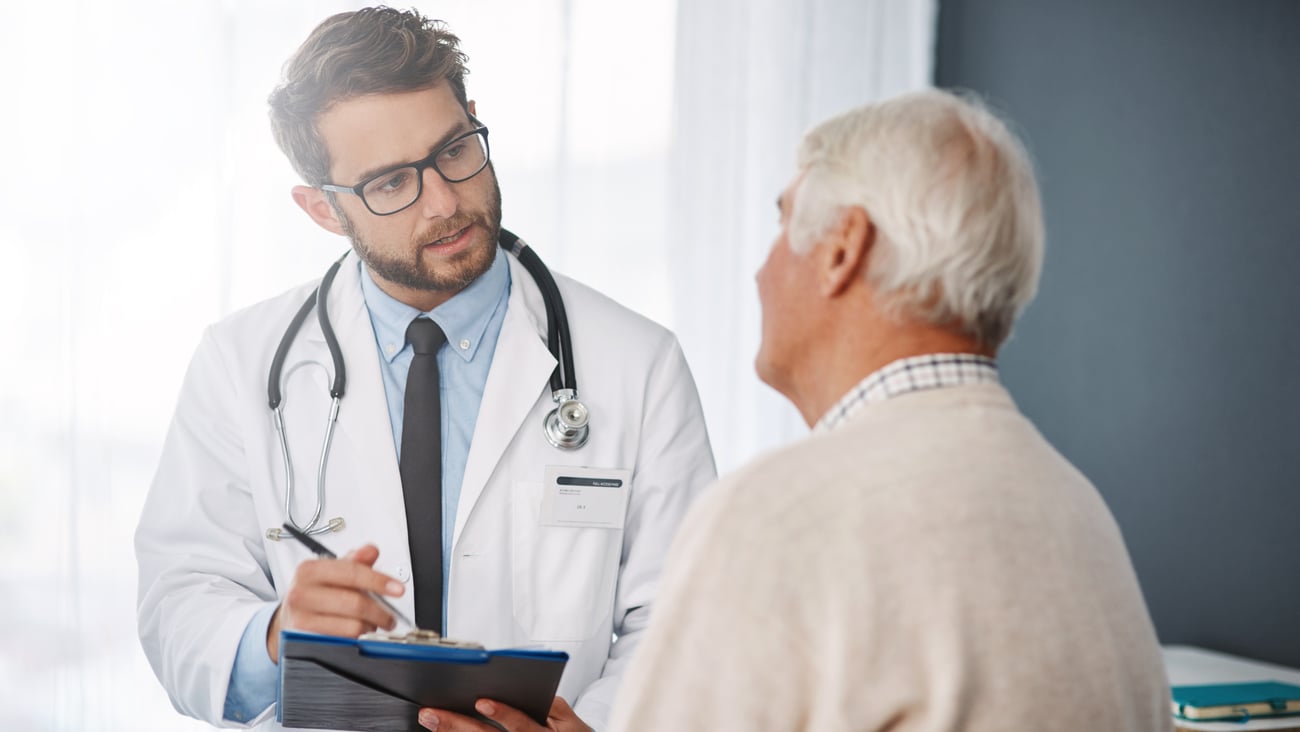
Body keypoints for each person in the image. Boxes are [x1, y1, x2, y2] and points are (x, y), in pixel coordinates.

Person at [135, 7, 715, 731]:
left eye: (455, 149)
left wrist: (591, 727)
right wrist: (275, 636)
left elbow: (689, 616)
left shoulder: (638, 363)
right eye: (388, 184)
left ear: (475, 119)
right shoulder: (239, 364)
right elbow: (180, 603)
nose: (444, 201)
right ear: (321, 209)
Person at [606, 89, 1173, 732]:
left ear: (844, 248)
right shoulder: (1079, 512)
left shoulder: (778, 515)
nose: (762, 271)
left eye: (781, 221)